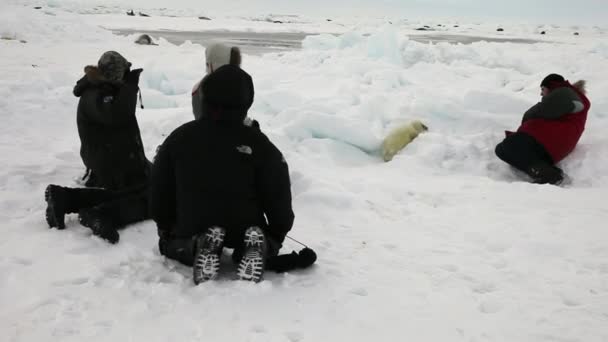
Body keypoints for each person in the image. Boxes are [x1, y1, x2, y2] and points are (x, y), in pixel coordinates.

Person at [150, 65, 295, 284]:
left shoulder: (180, 137)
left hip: (192, 223)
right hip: (244, 224)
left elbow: (159, 190)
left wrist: (166, 226)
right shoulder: (258, 143)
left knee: (172, 243)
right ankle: (255, 245)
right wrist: (276, 234)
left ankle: (196, 245)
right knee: (256, 234)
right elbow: (278, 195)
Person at [44, 51, 151, 243]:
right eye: (123, 74)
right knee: (147, 196)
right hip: (111, 164)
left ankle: (65, 198)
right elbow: (118, 115)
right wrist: (130, 87)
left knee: (144, 189)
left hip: (119, 160)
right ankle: (100, 214)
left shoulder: (105, 90)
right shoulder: (94, 95)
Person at [495, 74, 590, 185]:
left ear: (551, 86)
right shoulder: (567, 95)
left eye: (543, 89)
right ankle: (543, 171)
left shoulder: (564, 92)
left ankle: (550, 175)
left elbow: (538, 112)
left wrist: (527, 121)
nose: (541, 93)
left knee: (506, 147)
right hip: (551, 143)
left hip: (548, 140)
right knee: (505, 149)